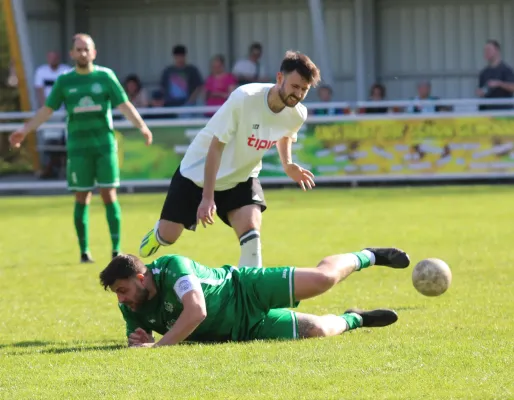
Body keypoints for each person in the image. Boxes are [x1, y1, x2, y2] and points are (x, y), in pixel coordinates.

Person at [139, 51, 321, 268]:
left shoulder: (297, 113)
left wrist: (288, 164)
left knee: (252, 235)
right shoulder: (245, 98)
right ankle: (157, 235)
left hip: (242, 178)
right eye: (295, 86)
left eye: (304, 89)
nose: (298, 94)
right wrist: (207, 198)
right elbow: (215, 148)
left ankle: (251, 295)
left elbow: (285, 134)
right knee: (169, 236)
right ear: (280, 78)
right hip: (197, 175)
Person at [9, 34, 153, 263]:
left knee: (109, 194)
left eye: (86, 49)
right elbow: (47, 110)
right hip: (78, 148)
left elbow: (124, 104)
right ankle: (84, 251)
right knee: (81, 197)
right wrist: (25, 131)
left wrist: (142, 127)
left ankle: (116, 250)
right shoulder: (65, 81)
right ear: (72, 54)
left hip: (104, 145)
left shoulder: (105, 76)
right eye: (79, 49)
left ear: (94, 53)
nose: (83, 53)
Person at [99, 247, 410, 347]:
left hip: (244, 289)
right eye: (117, 295)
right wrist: (140, 341)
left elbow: (196, 312)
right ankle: (356, 318)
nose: (121, 300)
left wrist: (157, 348)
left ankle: (368, 255)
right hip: (244, 330)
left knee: (322, 279)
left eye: (123, 290)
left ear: (141, 278)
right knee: (318, 330)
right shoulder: (133, 306)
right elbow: (140, 341)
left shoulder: (172, 268)